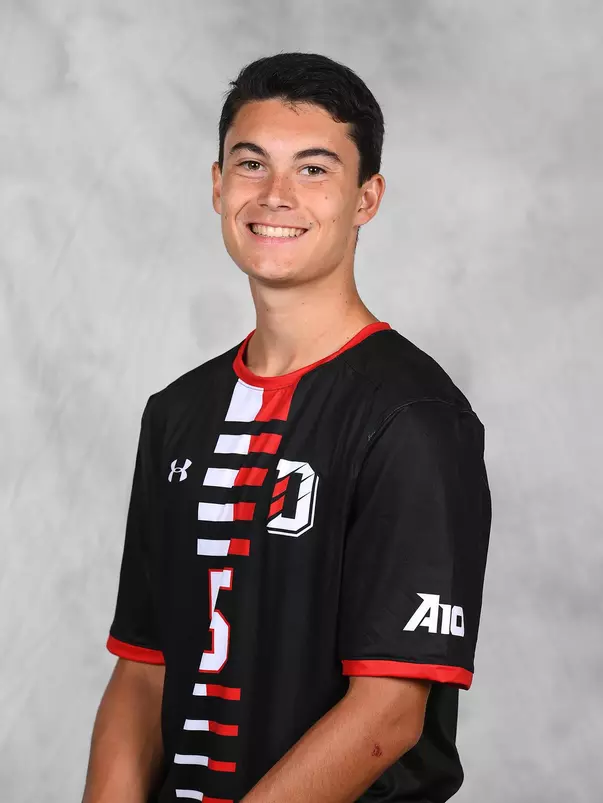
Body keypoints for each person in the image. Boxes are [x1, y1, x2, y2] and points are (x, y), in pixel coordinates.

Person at [82, 52, 491, 803]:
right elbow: (143, 668)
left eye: (313, 169)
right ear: (215, 184)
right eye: (250, 164)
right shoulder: (175, 413)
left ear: (366, 197)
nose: (274, 195)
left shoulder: (415, 418)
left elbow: (388, 713)